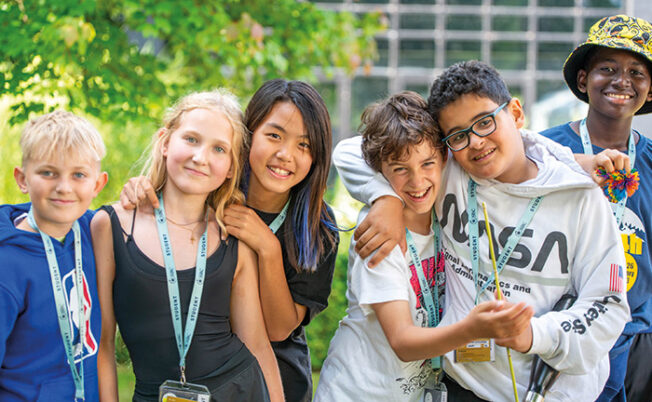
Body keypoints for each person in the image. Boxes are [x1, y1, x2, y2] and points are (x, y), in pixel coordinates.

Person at [332, 60, 630, 401]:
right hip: (462, 386)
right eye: (458, 135)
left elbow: (607, 304)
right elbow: (352, 150)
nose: (474, 142)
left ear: (516, 113)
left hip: (550, 391)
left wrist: (532, 334)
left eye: (485, 122)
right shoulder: (449, 173)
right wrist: (383, 197)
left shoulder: (581, 197)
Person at [121, 79, 340, 402]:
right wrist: (143, 187)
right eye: (274, 135)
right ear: (247, 136)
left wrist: (267, 247)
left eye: (303, 145)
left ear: (316, 157)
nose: (285, 154)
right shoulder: (212, 191)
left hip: (277, 382)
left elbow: (279, 330)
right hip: (203, 375)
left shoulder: (315, 225)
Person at [314, 91, 534, 401]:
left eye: (427, 163)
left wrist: (581, 161)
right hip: (357, 392)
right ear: (380, 170)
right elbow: (403, 342)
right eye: (400, 169)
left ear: (445, 158)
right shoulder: (380, 236)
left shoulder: (448, 211)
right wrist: (471, 329)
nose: (417, 182)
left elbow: (514, 149)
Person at [91, 90, 283, 401]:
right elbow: (102, 344)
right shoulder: (111, 225)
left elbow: (257, 344)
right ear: (165, 142)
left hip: (238, 389)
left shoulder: (232, 237)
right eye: (191, 139)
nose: (200, 157)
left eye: (219, 149)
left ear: (232, 168)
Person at [540, 15, 652, 402]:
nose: (622, 81)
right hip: (559, 329)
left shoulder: (651, 162)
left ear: (650, 90)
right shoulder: (542, 151)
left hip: (637, 339)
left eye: (637, 72)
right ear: (584, 80)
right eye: (608, 68)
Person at [0, 111, 108, 401]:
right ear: (22, 179)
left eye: (79, 175)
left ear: (97, 185)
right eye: (48, 172)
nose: (64, 187)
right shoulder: (6, 264)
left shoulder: (94, 230)